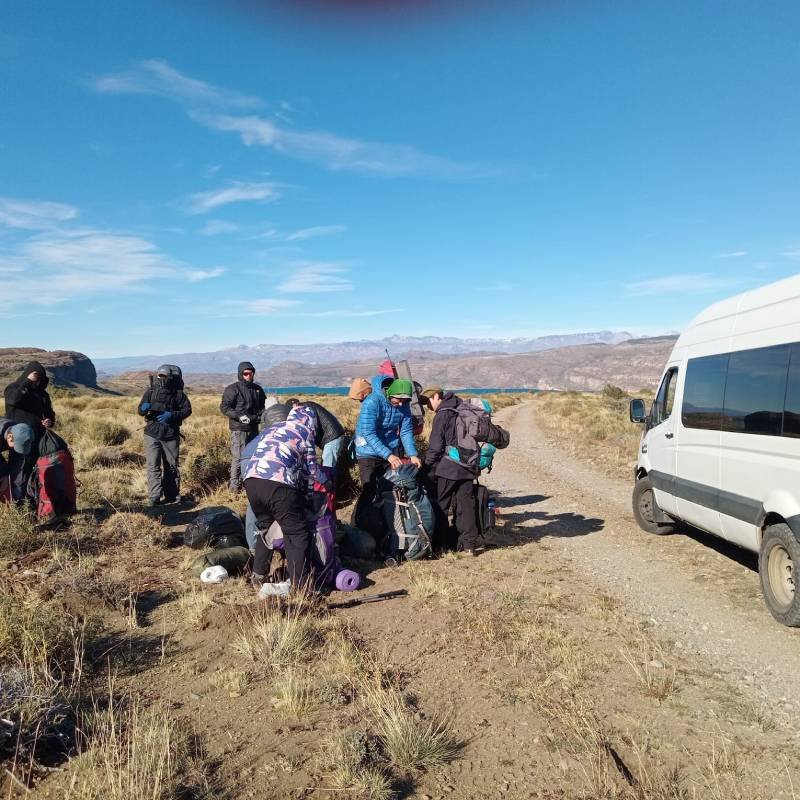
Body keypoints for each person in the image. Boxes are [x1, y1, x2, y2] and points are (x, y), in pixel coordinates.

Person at [243, 405, 329, 591]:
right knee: (297, 533)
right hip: (278, 484)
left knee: (266, 529)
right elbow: (311, 472)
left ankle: (258, 575)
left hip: (251, 481)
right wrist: (313, 495)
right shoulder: (305, 432)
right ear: (311, 421)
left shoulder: (273, 428)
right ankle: (301, 586)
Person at [353, 377, 421, 540]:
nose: (400, 404)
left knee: (389, 489)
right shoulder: (372, 402)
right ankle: (360, 527)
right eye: (398, 400)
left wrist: (412, 454)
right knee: (369, 490)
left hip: (389, 449)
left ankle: (386, 527)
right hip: (367, 451)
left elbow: (405, 431)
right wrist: (388, 455)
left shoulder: (403, 405)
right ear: (390, 393)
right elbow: (368, 433)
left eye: (405, 401)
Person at [420, 386, 481, 556]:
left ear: (437, 396)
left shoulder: (443, 413)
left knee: (441, 506)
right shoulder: (461, 406)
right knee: (466, 504)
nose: (427, 406)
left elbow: (436, 446)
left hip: (449, 467)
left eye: (428, 401)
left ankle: (441, 545)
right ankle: (469, 545)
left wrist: (427, 466)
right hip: (468, 464)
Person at [138, 365, 192, 506]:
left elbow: (187, 410)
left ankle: (172, 496)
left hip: (170, 434)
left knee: (171, 466)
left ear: (171, 378)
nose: (161, 379)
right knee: (153, 465)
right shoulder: (150, 392)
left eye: (164, 376)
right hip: (152, 433)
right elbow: (140, 410)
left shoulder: (178, 394)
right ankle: (154, 498)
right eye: (159, 376)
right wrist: (143, 409)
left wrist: (172, 415)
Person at [4, 361, 56, 496]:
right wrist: (27, 382)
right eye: (36, 377)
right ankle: (17, 506)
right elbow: (13, 400)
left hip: (40, 441)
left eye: (40, 378)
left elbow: (50, 413)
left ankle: (35, 503)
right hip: (19, 442)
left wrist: (49, 421)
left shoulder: (42, 394)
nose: (38, 381)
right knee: (19, 473)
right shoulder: (13, 388)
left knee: (38, 473)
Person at [219, 361, 266, 493]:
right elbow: (224, 407)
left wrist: (262, 415)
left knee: (253, 457)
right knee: (238, 458)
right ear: (240, 374)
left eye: (251, 373)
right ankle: (234, 488)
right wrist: (238, 416)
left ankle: (249, 486)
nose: (249, 376)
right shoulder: (233, 389)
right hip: (239, 429)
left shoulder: (257, 389)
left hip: (254, 429)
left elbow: (263, 406)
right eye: (246, 373)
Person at [288, 398, 346, 470]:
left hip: (332, 436)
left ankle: (333, 480)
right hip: (333, 435)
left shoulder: (307, 409)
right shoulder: (308, 406)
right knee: (327, 465)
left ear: (294, 406)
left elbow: (312, 429)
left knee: (328, 467)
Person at [0, 419, 33, 502]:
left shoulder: (21, 431)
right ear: (10, 437)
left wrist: (16, 488)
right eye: (17, 446)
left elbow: (19, 462)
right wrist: (4, 474)